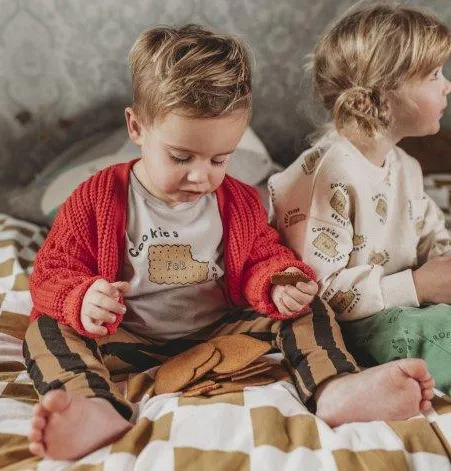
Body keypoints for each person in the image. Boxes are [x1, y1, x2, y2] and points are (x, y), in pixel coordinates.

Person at [24, 23, 433, 461]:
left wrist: (278, 283)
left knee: (306, 307)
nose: (201, 176)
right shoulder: (97, 198)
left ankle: (334, 386)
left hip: (217, 332)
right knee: (45, 330)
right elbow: (49, 274)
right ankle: (95, 407)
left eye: (220, 159)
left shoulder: (236, 200)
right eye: (181, 157)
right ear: (137, 127)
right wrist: (82, 298)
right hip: (127, 339)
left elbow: (263, 255)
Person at [269, 2, 450, 398]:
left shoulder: (405, 166)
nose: (446, 85)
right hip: (351, 322)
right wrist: (419, 285)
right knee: (427, 333)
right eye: (435, 74)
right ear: (384, 96)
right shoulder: (327, 175)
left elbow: (431, 233)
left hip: (405, 303)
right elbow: (321, 291)